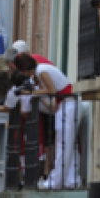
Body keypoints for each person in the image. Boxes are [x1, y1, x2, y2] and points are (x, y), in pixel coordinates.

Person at [14, 53, 79, 190]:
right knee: (67, 143)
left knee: (63, 143)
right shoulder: (40, 71)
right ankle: (69, 179)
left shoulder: (41, 70)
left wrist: (31, 92)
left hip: (68, 103)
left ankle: (56, 181)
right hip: (66, 104)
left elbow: (51, 90)